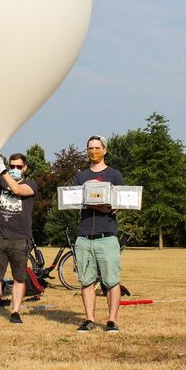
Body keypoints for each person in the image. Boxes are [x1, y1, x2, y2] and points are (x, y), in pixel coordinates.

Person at [0, 153, 37, 325]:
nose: (15, 169)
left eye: (19, 167)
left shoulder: (31, 184)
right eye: (12, 166)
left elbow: (17, 190)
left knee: (19, 278)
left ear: (25, 168)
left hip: (20, 239)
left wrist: (3, 170)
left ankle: (15, 312)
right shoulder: (2, 181)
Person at [74, 135, 125, 333]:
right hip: (84, 236)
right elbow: (76, 200)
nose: (93, 151)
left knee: (111, 280)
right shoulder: (81, 176)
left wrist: (102, 207)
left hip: (107, 236)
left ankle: (111, 321)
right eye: (90, 148)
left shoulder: (114, 175)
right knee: (86, 280)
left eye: (97, 148)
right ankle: (89, 319)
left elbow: (118, 205)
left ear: (105, 150)